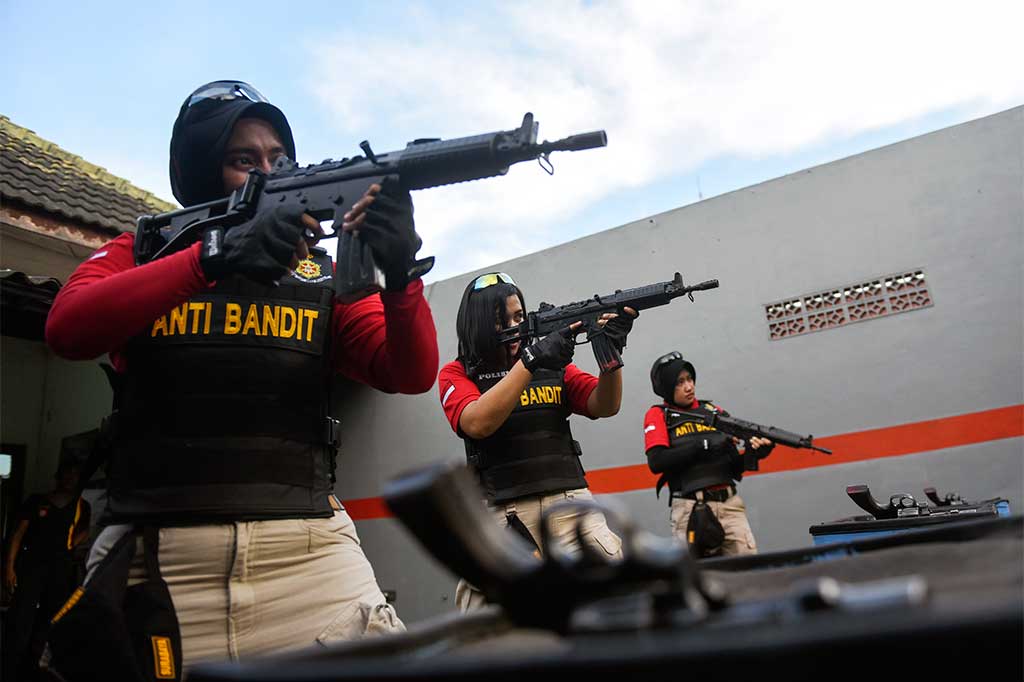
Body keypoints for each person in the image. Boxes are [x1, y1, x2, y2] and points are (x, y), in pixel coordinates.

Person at [43, 80, 438, 670]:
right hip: (159, 565)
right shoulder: (145, 251)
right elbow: (67, 330)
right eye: (243, 160)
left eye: (279, 158)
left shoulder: (321, 273)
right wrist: (213, 256)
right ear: (204, 171)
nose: (268, 169)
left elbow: (409, 372)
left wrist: (402, 273)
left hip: (310, 560)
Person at [437, 272, 637, 611]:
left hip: (571, 509)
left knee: (609, 617)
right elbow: (477, 423)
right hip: (504, 521)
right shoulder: (456, 374)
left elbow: (604, 405)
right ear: (478, 325)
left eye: (518, 317)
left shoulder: (551, 362)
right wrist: (531, 361)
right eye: (502, 321)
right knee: (496, 638)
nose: (514, 328)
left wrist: (610, 354)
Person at [643, 352, 773, 557]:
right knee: (698, 580)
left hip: (730, 506)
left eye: (690, 379)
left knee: (749, 571)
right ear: (666, 386)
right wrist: (702, 445)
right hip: (689, 509)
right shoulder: (659, 415)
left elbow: (734, 467)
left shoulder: (715, 411)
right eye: (680, 382)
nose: (689, 386)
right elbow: (657, 462)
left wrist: (754, 453)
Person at [3, 461, 90, 681]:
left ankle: (35, 665)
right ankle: (9, 666)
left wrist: (70, 546)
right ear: (58, 476)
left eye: (75, 475)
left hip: (60, 570)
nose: (70, 478)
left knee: (50, 618)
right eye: (67, 474)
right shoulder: (37, 501)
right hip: (31, 566)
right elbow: (17, 534)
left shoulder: (82, 506)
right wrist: (9, 567)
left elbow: (85, 532)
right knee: (21, 615)